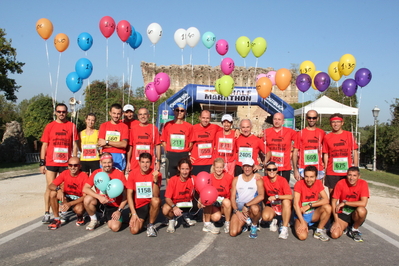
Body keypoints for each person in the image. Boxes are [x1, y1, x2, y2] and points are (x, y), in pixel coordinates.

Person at [40, 103, 79, 224]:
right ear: (55, 112)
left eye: (63, 112)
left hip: (65, 163)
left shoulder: (71, 126)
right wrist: (42, 163)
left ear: (66, 113)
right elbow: (45, 145)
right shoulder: (50, 126)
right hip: (51, 161)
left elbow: (75, 144)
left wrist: (74, 158)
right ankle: (47, 212)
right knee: (50, 187)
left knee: (63, 188)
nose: (61, 114)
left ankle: (62, 211)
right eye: (59, 111)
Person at [83, 153, 127, 232]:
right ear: (100, 163)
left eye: (109, 162)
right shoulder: (96, 173)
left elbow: (126, 195)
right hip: (100, 203)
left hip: (113, 206)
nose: (107, 165)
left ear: (112, 162)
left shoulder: (119, 174)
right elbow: (85, 188)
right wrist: (98, 197)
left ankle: (109, 217)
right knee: (87, 199)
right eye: (104, 162)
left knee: (115, 227)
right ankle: (94, 220)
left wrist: (119, 211)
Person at [47, 157, 88, 230]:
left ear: (80, 166)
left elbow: (85, 196)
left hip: (78, 200)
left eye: (75, 165)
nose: (73, 167)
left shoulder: (84, 176)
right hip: (67, 198)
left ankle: (80, 215)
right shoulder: (65, 173)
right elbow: (51, 185)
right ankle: (57, 219)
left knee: (79, 209)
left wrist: (70, 204)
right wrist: (58, 189)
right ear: (68, 166)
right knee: (53, 193)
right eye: (70, 165)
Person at [126, 153, 162, 237]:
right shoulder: (133, 173)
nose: (145, 165)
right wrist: (133, 213)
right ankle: (144, 220)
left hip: (150, 203)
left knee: (156, 200)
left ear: (151, 163)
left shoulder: (157, 174)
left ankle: (150, 224)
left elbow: (156, 195)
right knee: (134, 230)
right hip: (139, 206)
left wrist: (155, 181)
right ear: (139, 163)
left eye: (147, 162)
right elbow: (129, 195)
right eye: (143, 162)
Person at [330, 167, 369, 242]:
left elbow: (363, 203)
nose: (352, 178)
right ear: (346, 175)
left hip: (355, 213)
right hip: (343, 213)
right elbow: (333, 202)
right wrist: (336, 221)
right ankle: (346, 227)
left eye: (354, 175)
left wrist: (345, 203)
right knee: (334, 235)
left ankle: (354, 229)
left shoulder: (363, 183)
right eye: (349, 175)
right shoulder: (341, 183)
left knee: (362, 210)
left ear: (359, 176)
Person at [293, 165, 332, 241]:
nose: (309, 179)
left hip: (313, 213)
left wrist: (309, 205)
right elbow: (295, 204)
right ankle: (300, 223)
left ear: (316, 177)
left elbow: (326, 200)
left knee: (327, 207)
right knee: (302, 236)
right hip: (301, 215)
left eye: (312, 177)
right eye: (306, 176)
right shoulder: (299, 184)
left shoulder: (318, 183)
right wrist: (302, 222)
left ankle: (319, 231)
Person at [323, 113, 359, 195]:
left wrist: (356, 168)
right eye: (333, 122)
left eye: (338, 122)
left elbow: (354, 152)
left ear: (342, 123)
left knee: (346, 195)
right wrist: (325, 169)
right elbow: (326, 154)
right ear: (330, 123)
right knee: (333, 197)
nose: (336, 124)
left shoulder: (349, 135)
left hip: (346, 172)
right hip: (332, 171)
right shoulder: (327, 137)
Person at [230, 158, 264, 239]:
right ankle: (245, 224)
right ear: (242, 167)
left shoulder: (258, 179)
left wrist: (247, 205)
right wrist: (236, 211)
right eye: (245, 166)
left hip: (251, 208)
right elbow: (232, 198)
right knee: (233, 232)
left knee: (255, 208)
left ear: (253, 167)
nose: (247, 169)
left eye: (249, 166)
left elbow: (261, 196)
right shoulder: (236, 179)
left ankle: (254, 225)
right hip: (240, 210)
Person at [162, 158, 197, 233]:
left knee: (201, 202)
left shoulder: (194, 179)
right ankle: (172, 220)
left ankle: (186, 216)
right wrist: (174, 207)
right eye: (182, 169)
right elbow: (167, 198)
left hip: (188, 204)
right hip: (175, 204)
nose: (184, 172)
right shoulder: (173, 180)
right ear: (178, 168)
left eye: (187, 169)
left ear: (191, 169)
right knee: (165, 209)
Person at [160, 103, 193, 184]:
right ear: (174, 111)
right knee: (169, 179)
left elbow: (191, 142)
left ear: (185, 112)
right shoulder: (168, 125)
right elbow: (163, 140)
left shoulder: (189, 126)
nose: (179, 112)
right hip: (171, 155)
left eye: (182, 110)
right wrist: (167, 150)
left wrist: (186, 151)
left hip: (183, 155)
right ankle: (169, 196)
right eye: (177, 110)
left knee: (184, 178)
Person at [201, 158, 233, 234]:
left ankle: (227, 223)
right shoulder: (209, 177)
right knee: (216, 217)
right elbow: (204, 192)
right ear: (214, 167)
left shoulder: (229, 178)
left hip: (223, 204)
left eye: (221, 167)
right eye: (217, 167)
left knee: (227, 202)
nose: (219, 169)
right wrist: (200, 201)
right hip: (212, 204)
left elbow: (232, 192)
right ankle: (207, 222)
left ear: (223, 167)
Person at [261, 161, 292, 239]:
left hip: (282, 205)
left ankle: (284, 227)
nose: (271, 171)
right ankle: (274, 219)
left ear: (277, 170)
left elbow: (290, 196)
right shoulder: (264, 179)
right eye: (269, 169)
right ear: (266, 170)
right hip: (272, 204)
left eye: (274, 169)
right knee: (265, 217)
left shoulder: (282, 180)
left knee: (286, 201)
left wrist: (277, 196)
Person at [293, 110, 326, 181]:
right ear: (306, 118)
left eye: (314, 118)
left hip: (318, 167)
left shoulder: (322, 133)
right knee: (304, 191)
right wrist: (295, 169)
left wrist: (325, 166)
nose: (311, 120)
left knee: (318, 191)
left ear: (317, 118)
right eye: (309, 118)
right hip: (303, 167)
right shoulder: (300, 133)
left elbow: (325, 151)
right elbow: (295, 152)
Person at [263, 112, 297, 183]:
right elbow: (257, 144)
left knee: (284, 190)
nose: (277, 121)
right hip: (271, 167)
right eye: (275, 119)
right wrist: (263, 159)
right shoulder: (266, 132)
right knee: (269, 189)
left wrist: (293, 151)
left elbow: (301, 141)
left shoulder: (290, 132)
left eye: (279, 119)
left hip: (285, 167)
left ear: (283, 121)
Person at [126, 107, 161, 173]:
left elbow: (158, 146)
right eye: (140, 114)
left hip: (149, 163)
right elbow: (130, 146)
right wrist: (128, 162)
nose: (143, 116)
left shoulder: (154, 129)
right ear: (138, 116)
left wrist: (158, 161)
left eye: (145, 114)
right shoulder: (133, 129)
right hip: (135, 163)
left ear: (148, 115)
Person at [189, 110, 222, 175]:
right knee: (195, 184)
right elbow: (187, 144)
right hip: (196, 163)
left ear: (210, 118)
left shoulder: (215, 127)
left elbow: (227, 130)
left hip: (210, 163)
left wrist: (236, 130)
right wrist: (187, 156)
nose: (205, 120)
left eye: (207, 118)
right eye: (203, 118)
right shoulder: (193, 128)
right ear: (199, 118)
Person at [98, 103, 129, 171]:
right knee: (105, 177)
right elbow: (101, 143)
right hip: (106, 155)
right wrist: (118, 144)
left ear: (121, 114)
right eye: (114, 113)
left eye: (118, 114)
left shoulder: (124, 127)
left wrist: (107, 142)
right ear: (110, 113)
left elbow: (124, 144)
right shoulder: (103, 125)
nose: (116, 116)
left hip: (120, 155)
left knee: (119, 179)